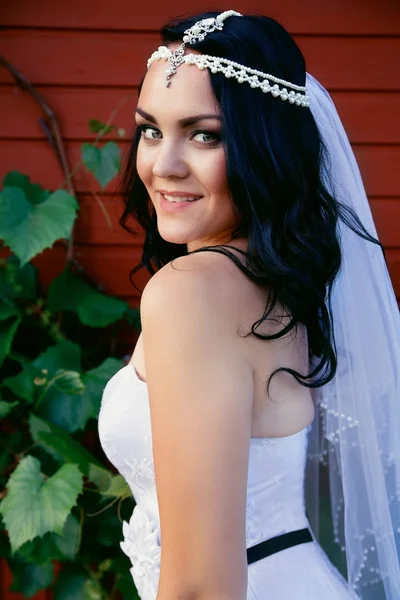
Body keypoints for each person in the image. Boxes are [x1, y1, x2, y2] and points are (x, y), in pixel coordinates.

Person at [98, 10, 400, 600]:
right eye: (151, 130)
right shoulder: (270, 279)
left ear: (265, 147)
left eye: (205, 134)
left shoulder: (193, 292)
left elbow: (201, 587)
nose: (164, 165)